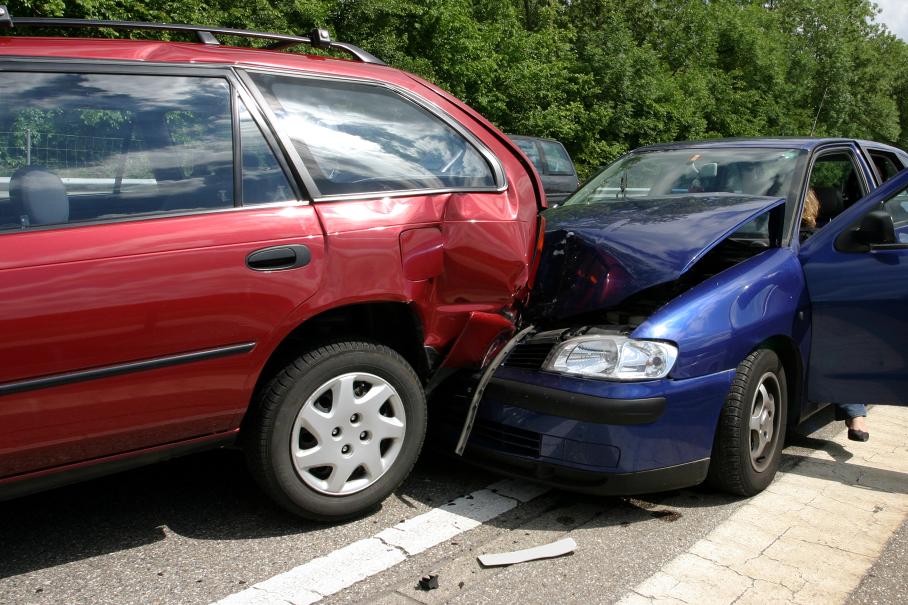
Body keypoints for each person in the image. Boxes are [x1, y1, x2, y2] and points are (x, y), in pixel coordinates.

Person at [801, 188, 870, 441]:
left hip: (820, 309)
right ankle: (855, 414)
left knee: (840, 340)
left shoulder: (825, 240)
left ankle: (855, 412)